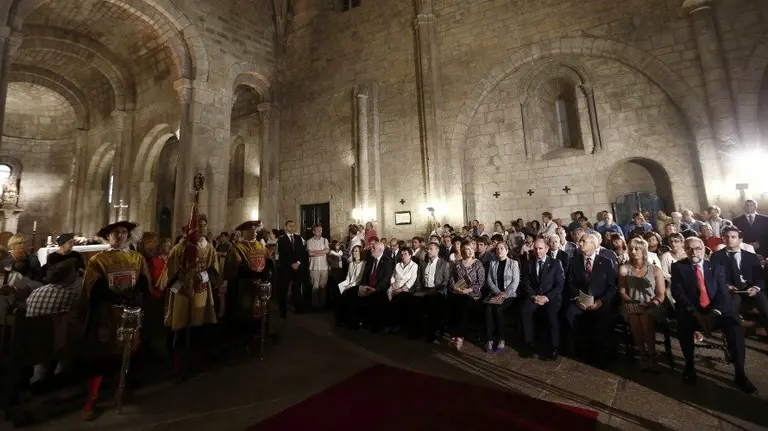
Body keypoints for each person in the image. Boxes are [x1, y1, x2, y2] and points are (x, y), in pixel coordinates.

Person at [78, 220, 150, 421]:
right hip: (107, 314)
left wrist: (136, 295)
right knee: (101, 356)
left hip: (129, 313)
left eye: (123, 232)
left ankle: (121, 389)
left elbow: (144, 282)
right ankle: (92, 398)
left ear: (128, 236)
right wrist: (115, 296)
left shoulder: (137, 258)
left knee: (127, 353)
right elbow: (93, 288)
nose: (120, 236)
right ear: (108, 236)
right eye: (115, 233)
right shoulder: (98, 260)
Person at [670, 237, 757, 394]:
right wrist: (694, 312)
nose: (694, 252)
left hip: (716, 311)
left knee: (735, 328)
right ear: (685, 250)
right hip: (693, 311)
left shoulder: (716, 266)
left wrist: (714, 312)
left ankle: (740, 373)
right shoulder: (678, 267)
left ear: (704, 249)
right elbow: (678, 292)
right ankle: (689, 366)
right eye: (689, 249)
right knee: (683, 325)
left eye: (697, 248)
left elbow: (723, 293)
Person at [157, 211, 219, 381]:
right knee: (181, 330)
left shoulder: (209, 247)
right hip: (183, 292)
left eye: (205, 225)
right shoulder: (180, 247)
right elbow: (170, 270)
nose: (202, 228)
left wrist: (204, 276)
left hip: (201, 290)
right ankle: (178, 367)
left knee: (200, 328)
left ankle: (197, 363)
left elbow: (214, 269)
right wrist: (180, 280)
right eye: (199, 225)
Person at [563, 233, 617, 367]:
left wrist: (600, 301)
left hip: (599, 302)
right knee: (570, 314)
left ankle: (601, 355)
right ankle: (579, 351)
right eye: (580, 241)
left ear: (594, 245)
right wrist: (577, 298)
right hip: (580, 301)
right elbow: (570, 283)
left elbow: (612, 287)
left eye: (584, 241)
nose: (580, 243)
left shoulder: (606, 262)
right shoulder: (573, 261)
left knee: (601, 319)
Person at [26, 259, 81, 386]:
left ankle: (38, 376)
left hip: (31, 341)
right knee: (74, 331)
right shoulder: (71, 295)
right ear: (68, 276)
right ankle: (61, 372)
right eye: (74, 272)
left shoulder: (36, 291)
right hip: (57, 344)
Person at [618, 238, 666, 371]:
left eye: (636, 249)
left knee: (646, 317)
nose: (633, 252)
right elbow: (622, 290)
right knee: (634, 316)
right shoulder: (624, 268)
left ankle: (652, 353)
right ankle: (642, 353)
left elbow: (660, 293)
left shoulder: (655, 269)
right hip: (631, 302)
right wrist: (631, 302)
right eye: (631, 249)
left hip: (651, 303)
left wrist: (652, 303)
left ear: (643, 250)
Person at [710, 226, 768, 332]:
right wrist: (726, 286)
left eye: (733, 237)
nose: (729, 239)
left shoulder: (751, 256)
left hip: (750, 289)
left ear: (740, 239)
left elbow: (760, 277)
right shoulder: (716, 256)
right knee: (731, 307)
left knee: (763, 303)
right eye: (726, 237)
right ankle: (736, 334)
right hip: (730, 291)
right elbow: (715, 277)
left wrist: (755, 288)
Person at [519, 238, 564, 361]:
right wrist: (533, 296)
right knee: (525, 311)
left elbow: (559, 285)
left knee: (551, 314)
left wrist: (547, 297)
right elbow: (526, 283)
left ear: (547, 249)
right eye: (535, 248)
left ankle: (554, 348)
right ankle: (530, 345)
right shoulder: (528, 264)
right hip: (535, 296)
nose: (538, 251)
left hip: (551, 298)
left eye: (540, 248)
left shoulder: (556, 263)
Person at [447, 241, 485, 351]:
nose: (469, 251)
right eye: (467, 249)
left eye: (471, 249)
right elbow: (452, 278)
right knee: (451, 303)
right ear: (463, 251)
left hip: (472, 293)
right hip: (458, 291)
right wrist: (455, 287)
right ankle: (453, 334)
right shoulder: (458, 263)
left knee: (464, 305)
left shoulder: (477, 264)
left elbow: (481, 282)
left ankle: (460, 337)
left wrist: (468, 290)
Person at [483, 242, 520, 353]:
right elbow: (489, 280)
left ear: (507, 250)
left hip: (509, 295)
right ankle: (489, 339)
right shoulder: (493, 263)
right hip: (495, 294)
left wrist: (505, 294)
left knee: (498, 309)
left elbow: (515, 281)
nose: (499, 250)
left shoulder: (513, 263)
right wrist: (498, 292)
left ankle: (501, 339)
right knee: (488, 308)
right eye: (497, 249)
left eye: (502, 248)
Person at [412, 242, 450, 342]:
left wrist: (436, 290)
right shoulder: (424, 263)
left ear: (437, 250)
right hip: (424, 290)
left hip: (437, 291)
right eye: (427, 249)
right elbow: (419, 278)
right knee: (414, 302)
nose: (428, 251)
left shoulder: (444, 264)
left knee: (433, 305)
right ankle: (417, 331)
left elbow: (445, 281)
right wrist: (418, 288)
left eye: (431, 249)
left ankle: (432, 333)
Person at [355, 241, 394, 332]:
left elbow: (386, 279)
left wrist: (375, 289)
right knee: (352, 293)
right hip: (368, 287)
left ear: (380, 250)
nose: (371, 250)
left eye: (373, 248)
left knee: (376, 299)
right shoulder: (371, 259)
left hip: (379, 289)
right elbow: (365, 274)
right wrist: (363, 285)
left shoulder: (388, 261)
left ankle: (374, 325)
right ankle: (357, 321)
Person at [277, 220, 309, 316]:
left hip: (298, 267)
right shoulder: (281, 239)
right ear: (286, 227)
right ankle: (283, 309)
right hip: (286, 267)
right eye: (290, 226)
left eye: (294, 225)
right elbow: (282, 254)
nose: (292, 227)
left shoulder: (299, 238)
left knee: (297, 288)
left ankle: (298, 308)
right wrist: (291, 263)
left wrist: (298, 263)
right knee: (284, 288)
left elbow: (303, 252)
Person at [386, 247, 418, 333]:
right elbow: (393, 276)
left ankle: (395, 324)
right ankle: (388, 324)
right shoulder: (398, 265)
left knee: (396, 302)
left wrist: (401, 289)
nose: (403, 256)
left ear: (410, 255)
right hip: (395, 287)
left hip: (405, 290)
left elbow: (412, 280)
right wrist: (393, 285)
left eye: (405, 254)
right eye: (402, 254)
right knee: (386, 298)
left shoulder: (414, 266)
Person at [335, 245, 366, 327]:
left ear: (360, 252)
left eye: (356, 251)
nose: (354, 252)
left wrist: (350, 286)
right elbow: (348, 277)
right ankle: (341, 318)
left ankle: (351, 321)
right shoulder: (351, 263)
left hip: (357, 285)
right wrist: (345, 285)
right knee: (338, 292)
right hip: (349, 284)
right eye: (353, 251)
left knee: (350, 296)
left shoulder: (363, 264)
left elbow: (359, 279)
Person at [306, 224, 330, 310]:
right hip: (314, 267)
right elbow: (310, 253)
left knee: (323, 287)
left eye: (321, 230)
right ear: (314, 231)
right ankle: (315, 305)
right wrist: (322, 252)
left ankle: (322, 305)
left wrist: (316, 252)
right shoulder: (309, 241)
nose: (320, 232)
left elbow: (327, 251)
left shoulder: (325, 240)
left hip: (324, 267)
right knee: (315, 287)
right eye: (318, 230)